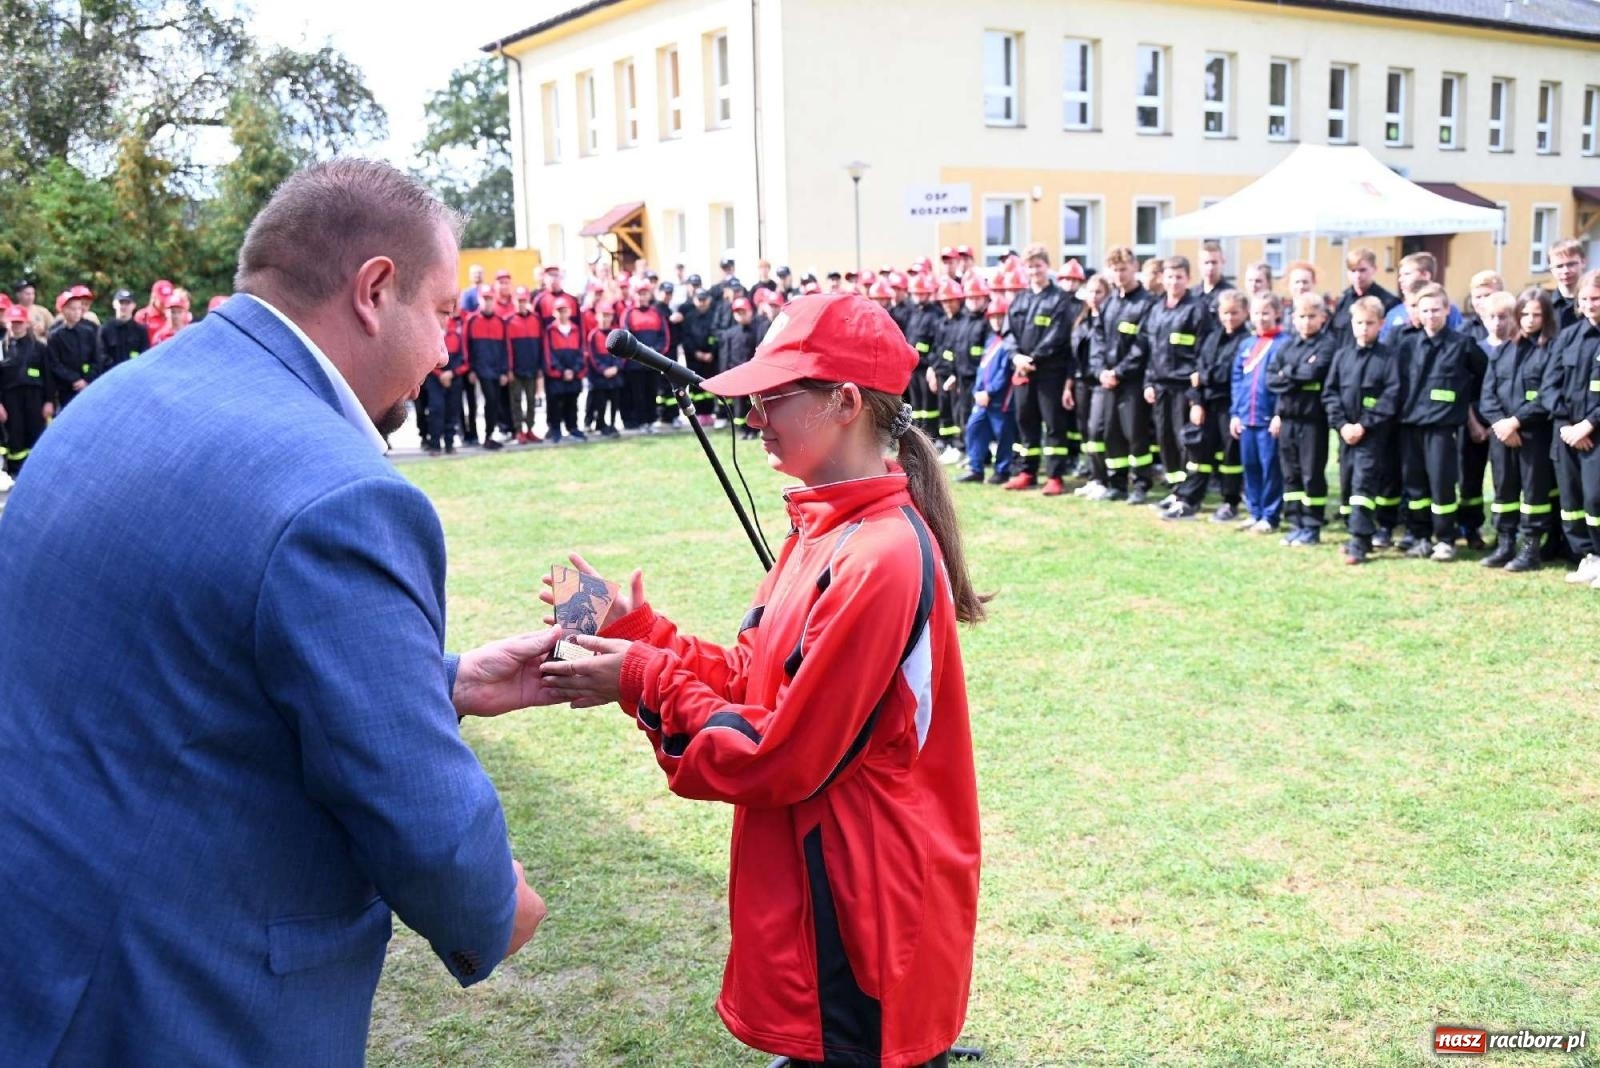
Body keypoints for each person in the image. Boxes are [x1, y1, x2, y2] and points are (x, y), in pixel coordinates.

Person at [0, 160, 552, 1066]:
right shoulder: (338, 490)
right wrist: (496, 906)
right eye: (444, 311)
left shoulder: (120, 397)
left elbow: (186, 661)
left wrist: (443, 681)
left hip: (47, 941)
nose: (448, 349)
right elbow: (419, 811)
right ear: (375, 290)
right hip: (176, 996)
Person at [540, 293, 982, 1068]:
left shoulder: (878, 554)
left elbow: (779, 753)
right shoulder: (821, 530)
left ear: (845, 402)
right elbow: (757, 680)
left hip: (862, 913)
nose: (755, 416)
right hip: (826, 895)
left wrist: (640, 676)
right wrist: (634, 631)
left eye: (775, 396)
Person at [1397, 284, 1475, 561]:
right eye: (1425, 310)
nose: (1431, 315)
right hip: (1410, 426)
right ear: (1416, 312)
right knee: (1415, 487)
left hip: (1443, 428)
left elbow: (1478, 381)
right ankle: (1420, 536)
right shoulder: (1406, 345)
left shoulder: (1462, 344)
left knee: (1442, 484)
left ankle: (1445, 539)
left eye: (1436, 310)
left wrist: (1474, 419)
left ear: (1447, 310)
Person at [1478, 289, 1555, 571]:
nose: (1529, 319)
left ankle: (1530, 549)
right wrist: (1500, 422)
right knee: (1503, 490)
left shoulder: (1550, 350)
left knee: (1533, 493)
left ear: (1546, 317)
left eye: (1536, 314)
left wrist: (1516, 421)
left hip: (1533, 435)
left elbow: (1546, 396)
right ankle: (1505, 543)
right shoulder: (1503, 351)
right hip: (1501, 434)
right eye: (1524, 313)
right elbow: (1487, 394)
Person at [1323, 296, 1402, 564]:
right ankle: (1359, 535)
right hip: (1346, 434)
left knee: (1362, 485)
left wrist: (1364, 425)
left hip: (1373, 435)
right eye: (1359, 323)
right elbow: (1330, 393)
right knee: (1347, 484)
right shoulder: (1342, 356)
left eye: (1370, 323)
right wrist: (1342, 424)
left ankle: (1358, 541)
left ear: (1381, 324)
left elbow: (1391, 396)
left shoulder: (1388, 358)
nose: (1364, 328)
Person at [1168, 289, 1248, 521]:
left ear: (1244, 312)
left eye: (1234, 313)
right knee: (1198, 453)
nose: (1229, 318)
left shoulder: (1246, 342)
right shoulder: (1212, 337)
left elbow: (1227, 374)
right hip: (1206, 404)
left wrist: (1204, 377)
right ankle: (1189, 500)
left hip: (1229, 405)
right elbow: (1198, 369)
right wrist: (1196, 401)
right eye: (1225, 313)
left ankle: (1230, 502)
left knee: (1229, 458)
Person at [1004, 247, 1078, 495]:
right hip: (1023, 372)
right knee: (1026, 421)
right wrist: (1016, 357)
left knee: (1054, 423)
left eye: (1038, 266)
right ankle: (1028, 472)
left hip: (1049, 372)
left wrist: (1032, 358)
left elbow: (1058, 335)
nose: (1034, 271)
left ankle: (1055, 476)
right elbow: (1008, 334)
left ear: (1047, 267)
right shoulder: (1020, 299)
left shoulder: (1059, 299)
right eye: (1030, 266)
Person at [1543, 268, 1600, 585]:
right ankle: (1587, 557)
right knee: (1572, 502)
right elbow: (1549, 385)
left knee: (1595, 499)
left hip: (1595, 435)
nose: (1591, 304)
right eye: (1585, 299)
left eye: (1596, 298)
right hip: (1566, 434)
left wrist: (1587, 426)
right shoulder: (1568, 336)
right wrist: (1567, 425)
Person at [1142, 255, 1213, 510]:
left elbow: (1204, 353)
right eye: (1169, 277)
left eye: (1179, 277)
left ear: (1188, 279)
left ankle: (1188, 495)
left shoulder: (1197, 309)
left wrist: (1197, 394)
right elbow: (1150, 349)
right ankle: (1175, 490)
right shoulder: (1156, 308)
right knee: (1166, 440)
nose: (1174, 282)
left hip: (1184, 387)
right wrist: (1148, 382)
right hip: (1161, 386)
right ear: (1162, 278)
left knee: (1186, 442)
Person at [1267, 293, 1336, 545]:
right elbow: (1272, 378)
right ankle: (1295, 523)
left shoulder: (1327, 345)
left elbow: (1314, 373)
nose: (1306, 322)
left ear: (1322, 318)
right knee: (1291, 475)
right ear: (1293, 319)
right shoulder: (1287, 346)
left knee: (1311, 475)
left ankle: (1312, 526)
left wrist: (1289, 374)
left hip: (1312, 421)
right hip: (1288, 419)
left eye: (1312, 317)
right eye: (1301, 317)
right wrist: (1294, 376)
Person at [1091, 246, 1157, 503]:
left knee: (1136, 434)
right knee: (1111, 434)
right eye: (1115, 270)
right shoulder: (1109, 304)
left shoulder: (1146, 303)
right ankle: (1117, 483)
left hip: (1132, 382)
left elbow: (1142, 345)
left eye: (1124, 269)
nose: (1120, 274)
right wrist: (1100, 372)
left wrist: (1119, 372)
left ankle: (1140, 485)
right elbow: (1097, 340)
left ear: (1135, 268)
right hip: (1107, 381)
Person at [1230, 293, 1289, 533]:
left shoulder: (1284, 344)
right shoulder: (1246, 345)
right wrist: (1235, 413)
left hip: (1268, 419)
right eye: (1256, 313)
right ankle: (1254, 511)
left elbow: (1286, 384)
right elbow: (1237, 381)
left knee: (1270, 468)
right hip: (1247, 418)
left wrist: (1279, 413)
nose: (1261, 318)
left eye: (1266, 313)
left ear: (1276, 313)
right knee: (1250, 466)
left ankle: (1270, 515)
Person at [959, 294, 1016, 484]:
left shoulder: (1010, 341)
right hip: (983, 398)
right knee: (974, 429)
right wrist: (978, 391)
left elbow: (1004, 373)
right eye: (993, 317)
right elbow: (982, 368)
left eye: (1001, 317)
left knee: (1004, 435)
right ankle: (976, 468)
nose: (997, 321)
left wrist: (989, 392)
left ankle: (1002, 470)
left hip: (1000, 399)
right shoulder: (991, 340)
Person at [1, 304, 50, 475]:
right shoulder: (2, 348)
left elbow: (48, 376)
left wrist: (49, 401)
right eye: (13, 323)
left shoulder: (40, 348)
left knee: (36, 433)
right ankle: (15, 471)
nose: (16, 326)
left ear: (27, 323)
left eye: (19, 322)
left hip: (35, 397)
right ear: (7, 323)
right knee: (15, 435)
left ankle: (37, 470)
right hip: (9, 398)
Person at [46, 285, 99, 408]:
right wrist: (74, 379)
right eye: (72, 308)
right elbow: (55, 363)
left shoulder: (89, 331)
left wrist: (87, 379)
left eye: (79, 308)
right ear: (63, 310)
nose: (76, 312)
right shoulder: (55, 336)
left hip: (89, 385)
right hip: (66, 388)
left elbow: (97, 358)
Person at [1329, 247, 1402, 335]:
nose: (1358, 275)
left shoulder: (1389, 302)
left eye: (1362, 270)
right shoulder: (1342, 301)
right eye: (1353, 270)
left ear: (1374, 269)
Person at [542, 299, 586, 443]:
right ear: (555, 313)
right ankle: (556, 429)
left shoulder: (576, 329)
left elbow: (581, 351)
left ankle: (572, 427)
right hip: (557, 375)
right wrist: (561, 371)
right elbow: (549, 354)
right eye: (559, 311)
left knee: (572, 402)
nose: (562, 314)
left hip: (573, 372)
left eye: (565, 311)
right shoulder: (550, 330)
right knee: (556, 403)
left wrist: (574, 370)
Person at [584, 301, 624, 437]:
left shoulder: (617, 334)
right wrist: (603, 370)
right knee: (600, 402)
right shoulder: (593, 335)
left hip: (614, 374)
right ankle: (601, 423)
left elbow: (622, 354)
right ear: (597, 317)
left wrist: (616, 367)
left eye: (608, 316)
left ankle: (612, 424)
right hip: (600, 376)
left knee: (615, 401)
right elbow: (592, 356)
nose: (606, 318)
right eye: (603, 315)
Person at [99, 289, 151, 370]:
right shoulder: (105, 329)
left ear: (134, 305)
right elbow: (101, 355)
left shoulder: (141, 331)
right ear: (114, 304)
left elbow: (145, 356)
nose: (123, 306)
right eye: (121, 303)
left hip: (134, 373)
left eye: (127, 303)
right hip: (111, 375)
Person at [1547, 238, 1588, 331]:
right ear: (1551, 269)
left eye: (1571, 264)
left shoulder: (1595, 301)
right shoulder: (1545, 305)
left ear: (1583, 262)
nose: (1565, 271)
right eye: (1559, 266)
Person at [1197, 240, 1235, 314]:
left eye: (1214, 263)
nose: (1210, 267)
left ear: (1223, 262)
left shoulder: (1231, 293)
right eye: (1206, 263)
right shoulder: (1192, 294)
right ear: (1199, 264)